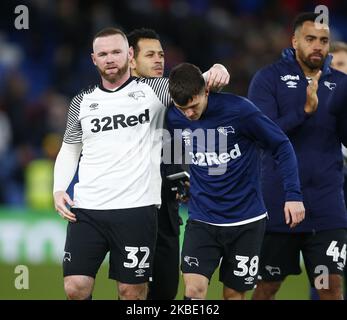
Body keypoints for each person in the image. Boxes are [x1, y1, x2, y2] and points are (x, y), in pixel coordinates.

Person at [53, 27, 229, 300]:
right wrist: (58, 188)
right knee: (75, 287)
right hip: (88, 209)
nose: (110, 59)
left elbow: (195, 83)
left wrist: (217, 68)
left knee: (132, 292)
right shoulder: (82, 101)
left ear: (129, 55)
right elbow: (69, 148)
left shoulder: (154, 90)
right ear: (93, 59)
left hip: (136, 211)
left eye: (115, 52)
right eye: (103, 54)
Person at [166, 62, 305, 300]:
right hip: (202, 220)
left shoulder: (241, 111)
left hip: (246, 222)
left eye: (193, 106)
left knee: (234, 295)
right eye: (182, 108)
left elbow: (281, 145)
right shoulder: (173, 116)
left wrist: (293, 195)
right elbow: (164, 147)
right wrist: (179, 177)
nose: (189, 114)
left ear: (206, 91)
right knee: (194, 290)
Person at [248, 13, 347, 300]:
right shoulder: (269, 79)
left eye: (324, 41)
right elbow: (261, 134)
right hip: (280, 204)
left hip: (327, 207)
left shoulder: (340, 84)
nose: (318, 46)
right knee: (267, 287)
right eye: (310, 39)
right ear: (294, 41)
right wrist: (302, 111)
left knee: (329, 286)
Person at [127, 27, 182, 300]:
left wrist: (182, 173)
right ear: (131, 60)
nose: (159, 60)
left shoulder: (174, 100)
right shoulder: (121, 98)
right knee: (133, 292)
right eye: (150, 55)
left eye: (161, 54)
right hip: (132, 206)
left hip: (167, 208)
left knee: (165, 293)